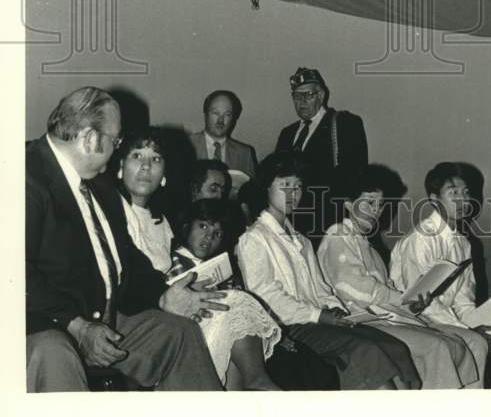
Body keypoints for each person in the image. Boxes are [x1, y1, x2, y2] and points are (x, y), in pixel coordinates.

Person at [26, 87, 226, 392]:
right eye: (116, 141)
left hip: (103, 319)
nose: (117, 149)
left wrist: (164, 295)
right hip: (46, 325)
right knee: (55, 354)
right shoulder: (24, 176)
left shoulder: (101, 187)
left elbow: (126, 260)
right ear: (90, 139)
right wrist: (76, 326)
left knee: (178, 333)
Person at [237, 152, 422, 391]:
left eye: (298, 186)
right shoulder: (255, 238)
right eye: (285, 185)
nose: (293, 193)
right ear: (266, 187)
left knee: (394, 347)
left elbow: (321, 289)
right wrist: (318, 315)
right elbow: (264, 298)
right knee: (366, 351)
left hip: (318, 321)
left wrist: (334, 308)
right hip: (289, 328)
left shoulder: (301, 241)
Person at [318, 164, 481, 389]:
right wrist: (403, 300)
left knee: (455, 343)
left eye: (380, 204)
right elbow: (356, 288)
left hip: (384, 318)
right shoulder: (338, 235)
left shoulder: (369, 247)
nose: (376, 210)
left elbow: (388, 293)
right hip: (359, 323)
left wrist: (412, 304)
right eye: (369, 203)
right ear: (348, 204)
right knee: (438, 346)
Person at [390, 162, 491, 389]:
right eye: (454, 193)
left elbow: (463, 299)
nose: (463, 200)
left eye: (466, 193)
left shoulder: (463, 243)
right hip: (420, 323)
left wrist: (478, 322)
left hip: (453, 322)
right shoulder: (420, 239)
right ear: (434, 198)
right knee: (475, 343)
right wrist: (467, 330)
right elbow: (419, 303)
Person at [168, 200, 280, 389]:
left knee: (236, 327)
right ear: (187, 227)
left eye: (217, 234)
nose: (209, 237)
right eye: (203, 226)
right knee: (235, 306)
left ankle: (250, 384)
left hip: (218, 332)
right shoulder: (172, 261)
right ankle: (257, 380)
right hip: (188, 332)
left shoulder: (219, 267)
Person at [275, 67, 368, 240]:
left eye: (309, 94)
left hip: (328, 223)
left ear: (321, 95)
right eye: (297, 96)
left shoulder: (343, 123)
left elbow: (355, 175)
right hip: (291, 224)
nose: (302, 101)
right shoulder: (287, 133)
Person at [117, 129, 175, 272]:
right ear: (121, 165)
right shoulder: (111, 213)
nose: (146, 166)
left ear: (164, 174)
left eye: (156, 159)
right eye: (137, 156)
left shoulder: (161, 221)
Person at [189, 90, 257, 177]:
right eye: (215, 113)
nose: (220, 120)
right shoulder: (185, 145)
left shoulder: (244, 154)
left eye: (227, 114)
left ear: (233, 119)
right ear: (205, 115)